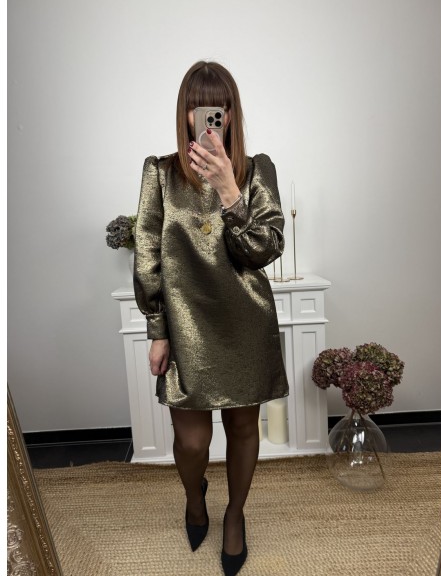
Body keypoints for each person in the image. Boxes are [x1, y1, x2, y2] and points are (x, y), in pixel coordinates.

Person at [133, 60, 289, 576]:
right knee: (192, 441)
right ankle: (194, 496)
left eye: (217, 108)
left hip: (245, 322)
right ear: (185, 113)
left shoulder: (257, 170)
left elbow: (264, 250)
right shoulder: (159, 172)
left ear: (230, 114)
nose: (207, 117)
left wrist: (229, 189)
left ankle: (235, 514)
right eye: (197, 107)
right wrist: (157, 329)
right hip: (186, 325)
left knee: (243, 428)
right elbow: (148, 253)